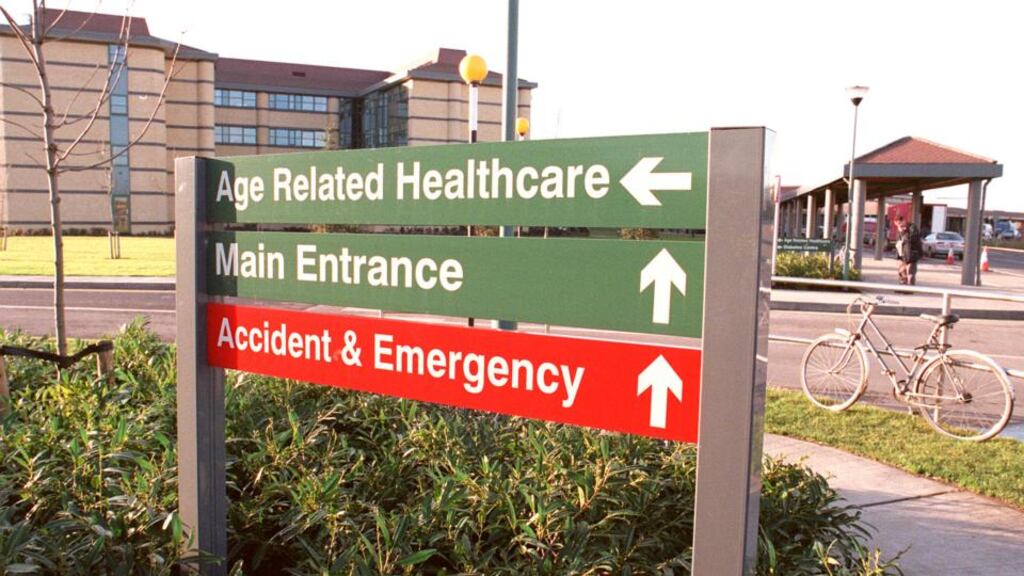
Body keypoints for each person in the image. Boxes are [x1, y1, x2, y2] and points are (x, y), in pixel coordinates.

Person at [894, 217, 921, 285]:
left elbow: (911, 239)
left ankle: (909, 289)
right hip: (902, 255)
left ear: (904, 221)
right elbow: (899, 241)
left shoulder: (912, 228)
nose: (899, 226)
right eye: (897, 225)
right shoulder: (900, 230)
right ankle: (902, 286)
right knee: (902, 272)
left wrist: (903, 232)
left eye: (900, 223)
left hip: (911, 255)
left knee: (910, 273)